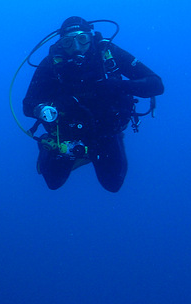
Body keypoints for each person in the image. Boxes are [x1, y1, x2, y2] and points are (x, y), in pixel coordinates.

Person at [22, 16, 164, 192]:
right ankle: (48, 148)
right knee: (53, 183)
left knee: (113, 185)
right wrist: (45, 108)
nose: (76, 47)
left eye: (82, 39)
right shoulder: (51, 64)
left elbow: (156, 84)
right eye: (68, 42)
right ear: (61, 43)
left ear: (90, 36)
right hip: (66, 134)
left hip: (106, 131)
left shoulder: (108, 53)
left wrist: (119, 86)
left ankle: (97, 151)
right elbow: (28, 105)